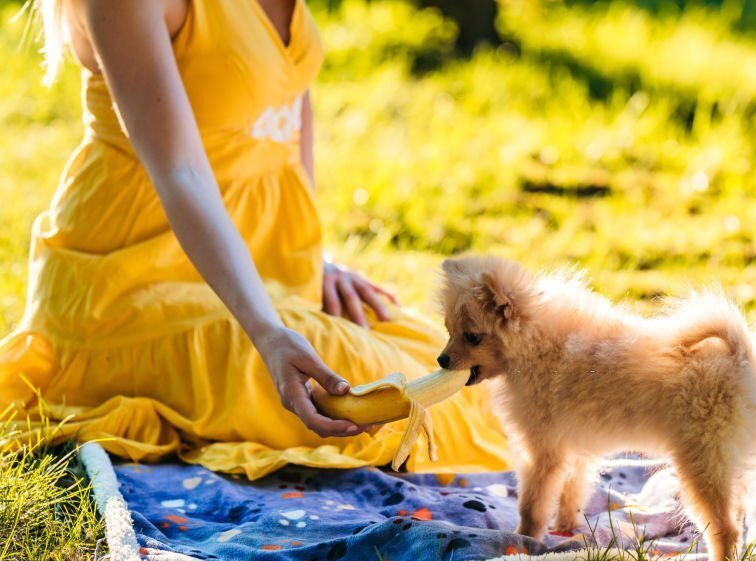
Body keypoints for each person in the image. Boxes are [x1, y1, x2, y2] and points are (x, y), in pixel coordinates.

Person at [0, 0, 511, 479]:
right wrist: (265, 331)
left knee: (460, 366)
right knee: (406, 398)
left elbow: (290, 94)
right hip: (135, 287)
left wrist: (317, 256)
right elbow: (181, 173)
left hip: (263, 270)